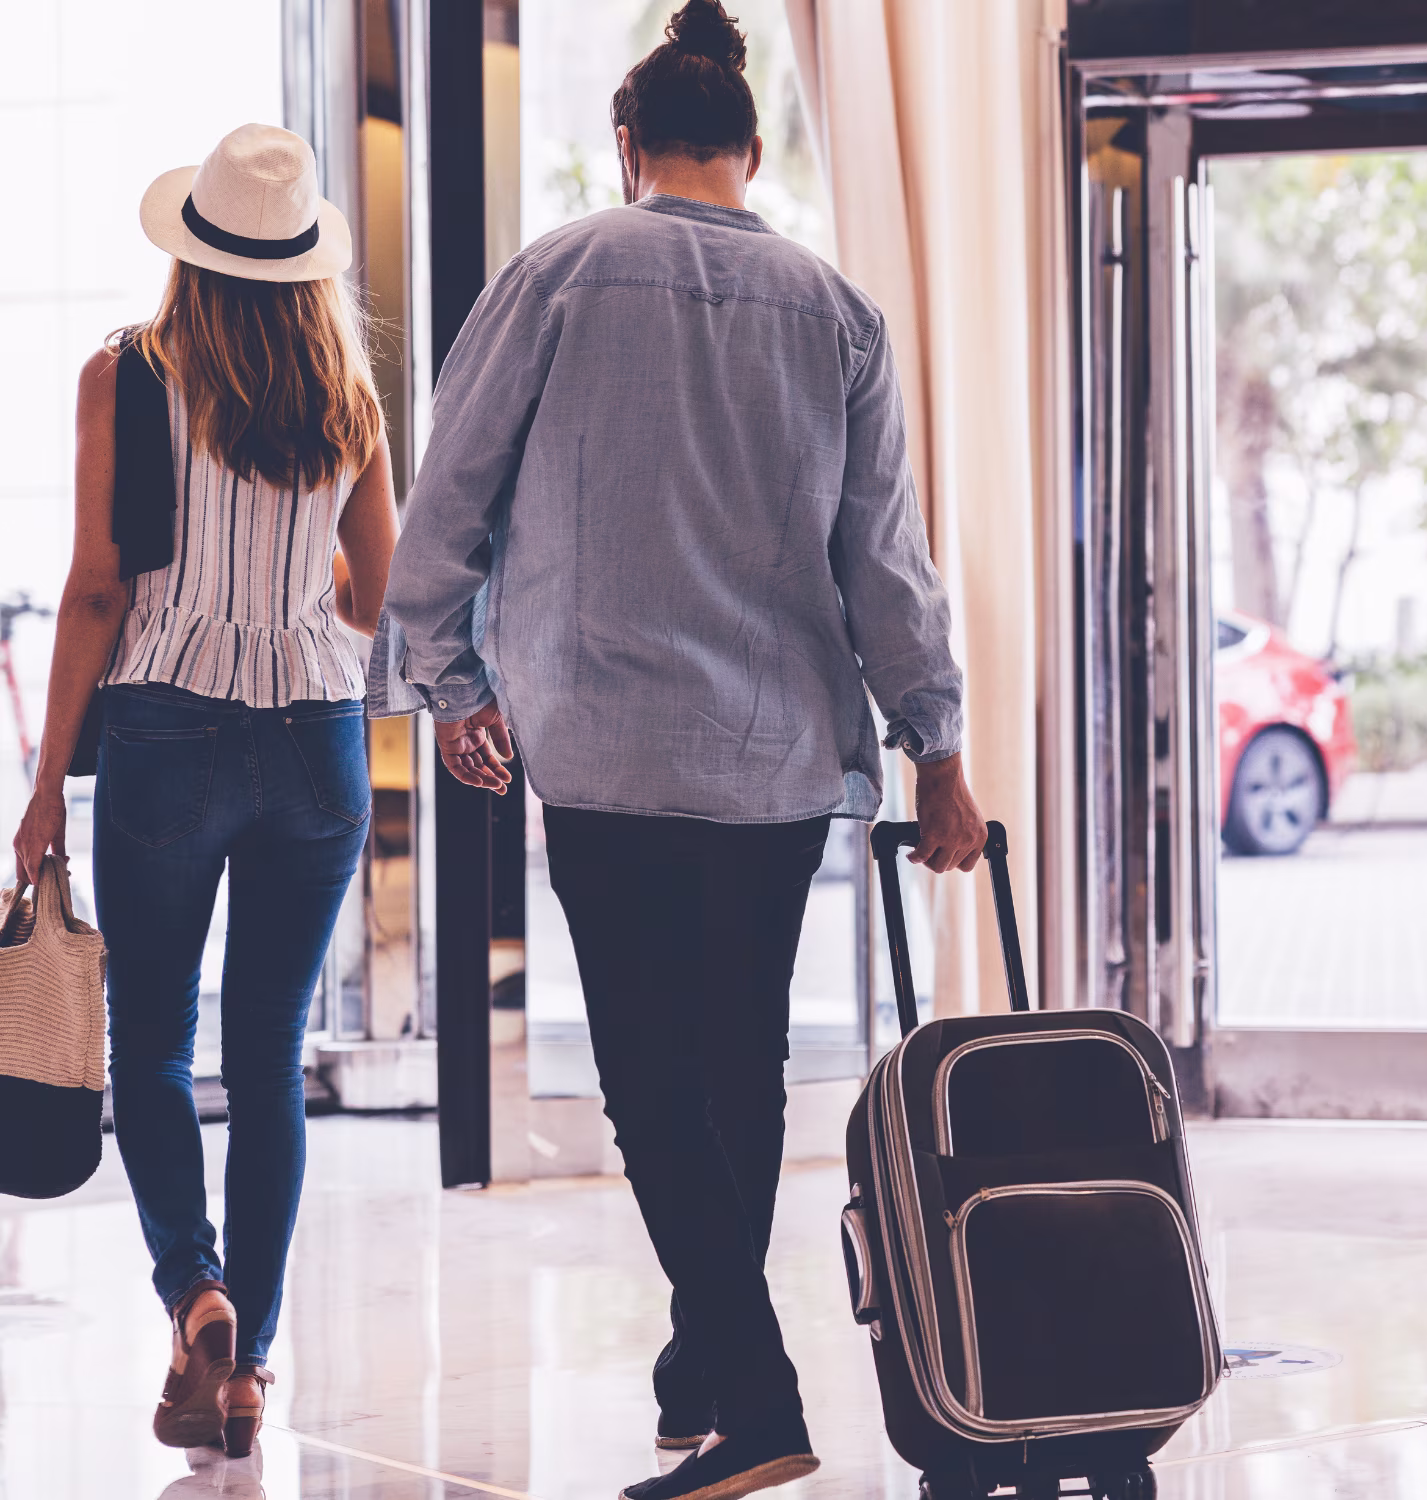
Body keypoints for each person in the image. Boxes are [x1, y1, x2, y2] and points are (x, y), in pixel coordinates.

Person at [380, 5, 983, 1497]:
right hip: (774, 763)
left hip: (605, 748)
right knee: (738, 1061)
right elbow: (885, 570)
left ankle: (758, 1398)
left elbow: (442, 508)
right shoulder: (841, 314)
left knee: (650, 1080)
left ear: (629, 148)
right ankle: (704, 1355)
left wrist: (455, 687)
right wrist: (940, 747)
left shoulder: (557, 275)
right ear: (756, 152)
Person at [10, 124, 396, 1461]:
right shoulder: (347, 385)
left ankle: (198, 1291)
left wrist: (45, 782)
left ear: (191, 248)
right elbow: (381, 587)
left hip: (167, 734)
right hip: (318, 744)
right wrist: (295, 606)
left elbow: (99, 588)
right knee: (272, 1055)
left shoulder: (126, 375)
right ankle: (251, 1373)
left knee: (154, 1046)